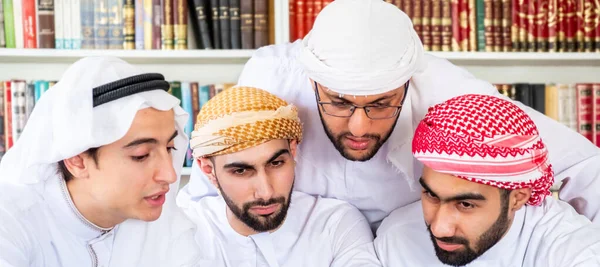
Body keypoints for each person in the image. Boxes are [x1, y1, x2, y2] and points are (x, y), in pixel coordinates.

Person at [0, 57, 315, 267]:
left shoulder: (166, 221)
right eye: (141, 156)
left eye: (169, 148)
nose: (167, 173)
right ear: (76, 159)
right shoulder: (12, 218)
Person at [180, 0, 600, 229]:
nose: (359, 127)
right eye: (340, 103)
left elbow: (585, 165)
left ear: (407, 84)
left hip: (418, 264)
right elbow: (204, 196)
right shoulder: (271, 80)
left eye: (381, 104)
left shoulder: (445, 88)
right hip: (301, 263)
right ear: (311, 83)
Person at [375, 94, 600, 267]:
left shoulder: (568, 240)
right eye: (431, 195)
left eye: (466, 204)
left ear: (517, 198)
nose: (440, 227)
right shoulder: (394, 239)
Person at [179, 85, 401, 267]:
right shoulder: (184, 225)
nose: (265, 191)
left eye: (276, 163)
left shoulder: (334, 222)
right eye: (241, 170)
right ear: (208, 170)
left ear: (293, 152)